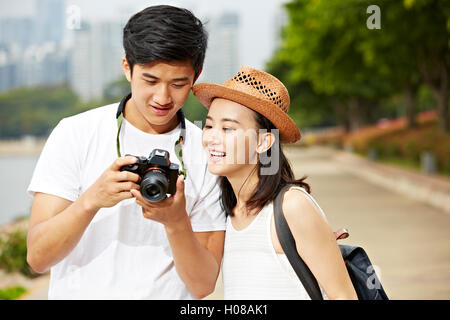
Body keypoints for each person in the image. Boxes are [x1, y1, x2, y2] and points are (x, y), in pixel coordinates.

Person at [26, 5, 226, 300]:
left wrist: (176, 222)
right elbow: (38, 258)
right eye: (150, 80)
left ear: (196, 76)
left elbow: (204, 285)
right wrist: (91, 201)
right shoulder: (74, 133)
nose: (162, 97)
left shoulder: (210, 150)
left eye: (178, 84)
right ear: (126, 67)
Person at [193, 66, 358, 299]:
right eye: (209, 125)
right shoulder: (224, 210)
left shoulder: (292, 207)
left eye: (228, 128)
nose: (212, 138)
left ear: (264, 142)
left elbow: (344, 296)